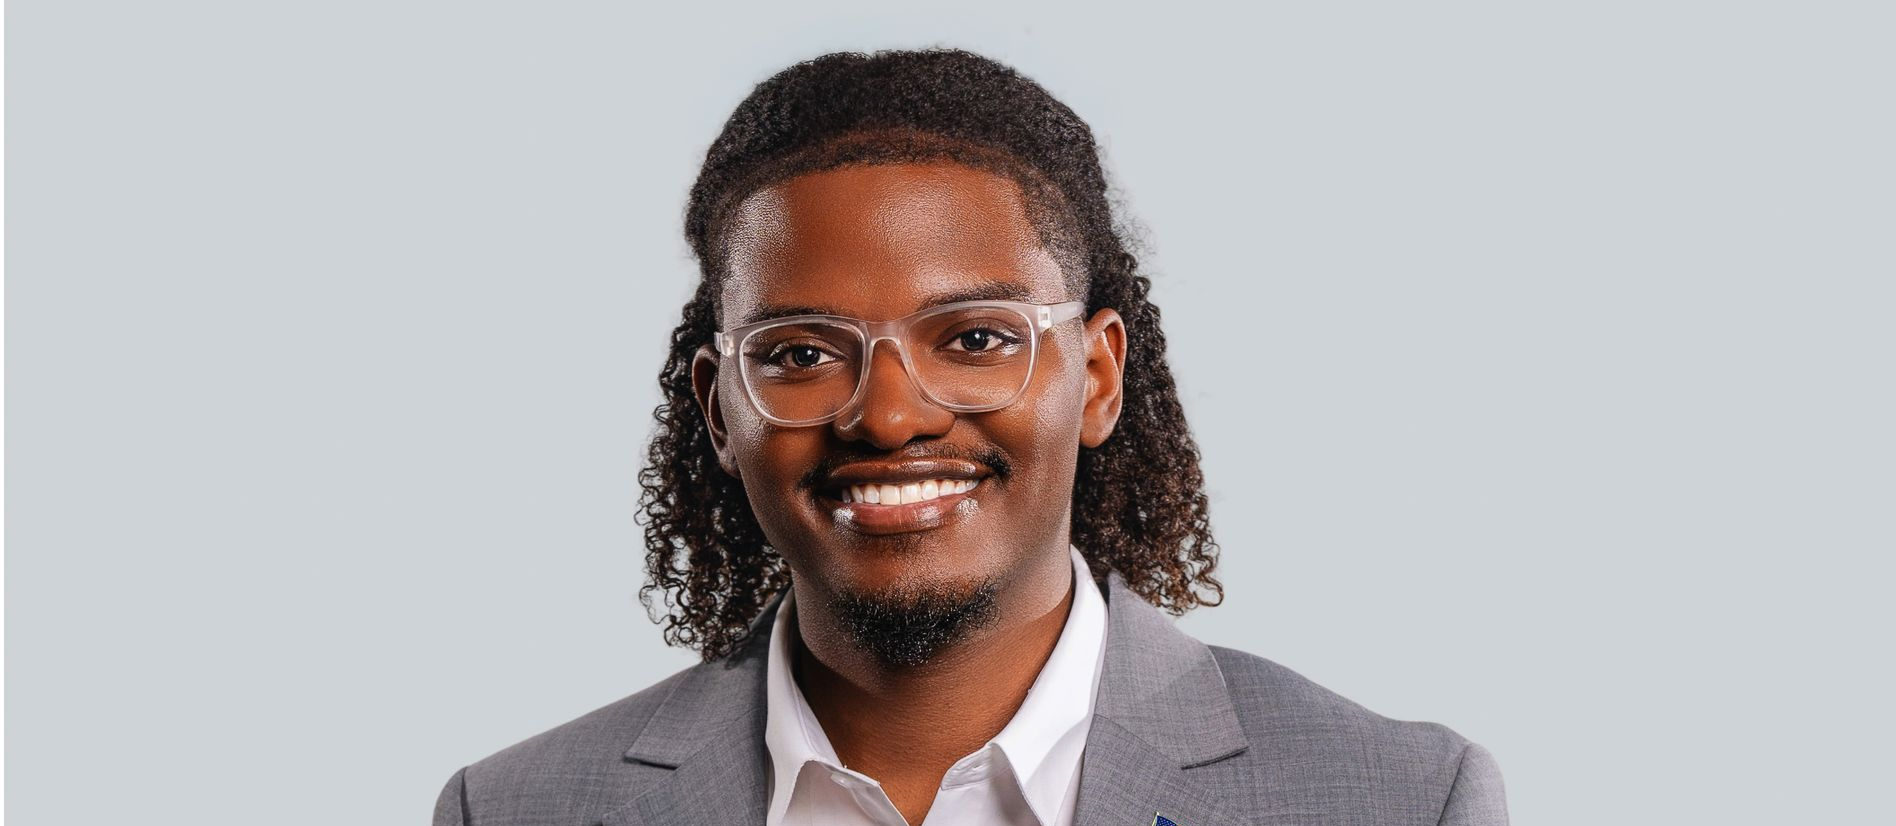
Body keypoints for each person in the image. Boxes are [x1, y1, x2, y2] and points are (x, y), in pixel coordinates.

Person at [432, 48, 1508, 826]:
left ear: (1097, 377)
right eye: (801, 352)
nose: (890, 416)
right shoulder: (516, 809)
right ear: (720, 408)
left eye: (976, 338)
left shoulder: (1399, 802)